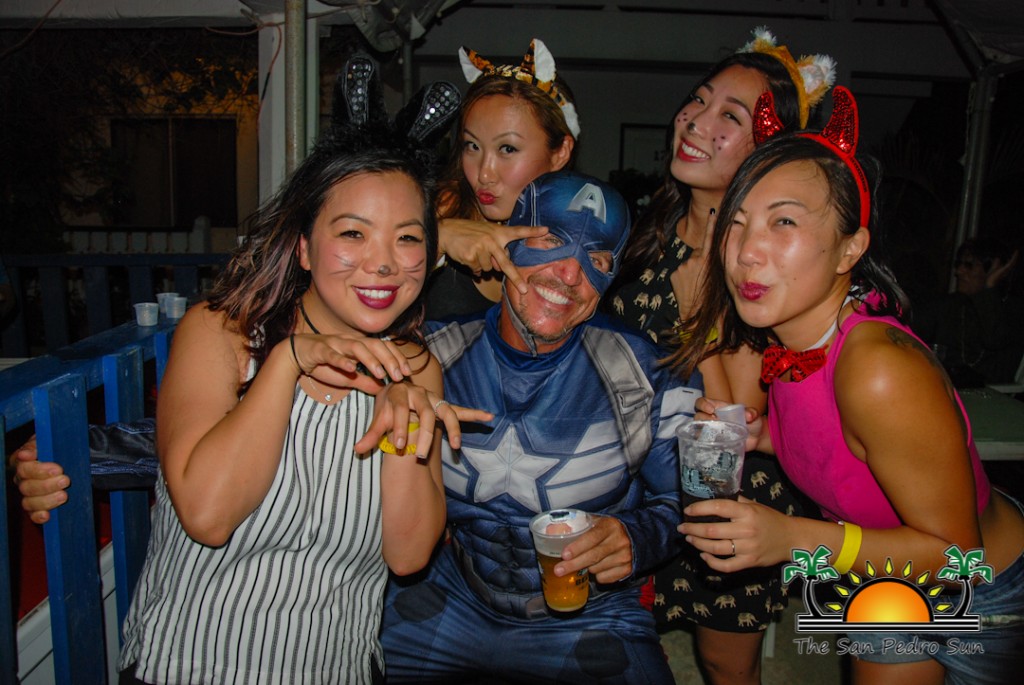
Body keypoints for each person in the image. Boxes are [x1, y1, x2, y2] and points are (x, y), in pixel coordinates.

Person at [677, 86, 1024, 685]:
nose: (747, 252)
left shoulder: (877, 368)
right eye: (736, 224)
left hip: (983, 594)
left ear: (850, 248)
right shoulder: (793, 340)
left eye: (784, 221)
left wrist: (791, 538)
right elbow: (837, 441)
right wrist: (762, 436)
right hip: (882, 573)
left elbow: (956, 558)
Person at [380, 170, 700, 683]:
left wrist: (635, 537)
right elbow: (325, 295)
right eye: (550, 241)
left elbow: (691, 498)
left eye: (597, 259)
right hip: (451, 596)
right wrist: (434, 240)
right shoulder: (429, 356)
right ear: (504, 243)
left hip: (591, 614)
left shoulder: (646, 373)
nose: (570, 274)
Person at [605, 27, 834, 683]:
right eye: (699, 101)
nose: (696, 122)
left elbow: (736, 417)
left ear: (768, 149)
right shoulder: (648, 228)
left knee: (722, 664)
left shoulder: (758, 261)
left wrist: (701, 299)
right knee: (623, 648)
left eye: (730, 117)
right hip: (637, 486)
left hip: (725, 497)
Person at [424, 38, 579, 320]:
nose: (484, 173)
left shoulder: (579, 239)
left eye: (507, 149)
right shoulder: (433, 208)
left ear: (560, 153)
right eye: (472, 146)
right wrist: (436, 240)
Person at [913, 237, 1024, 387]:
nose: (958, 271)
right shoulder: (950, 304)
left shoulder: (1012, 310)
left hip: (990, 394)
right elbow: (912, 327)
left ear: (993, 269)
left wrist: (990, 286)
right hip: (943, 389)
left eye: (969, 265)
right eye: (958, 264)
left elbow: (994, 340)